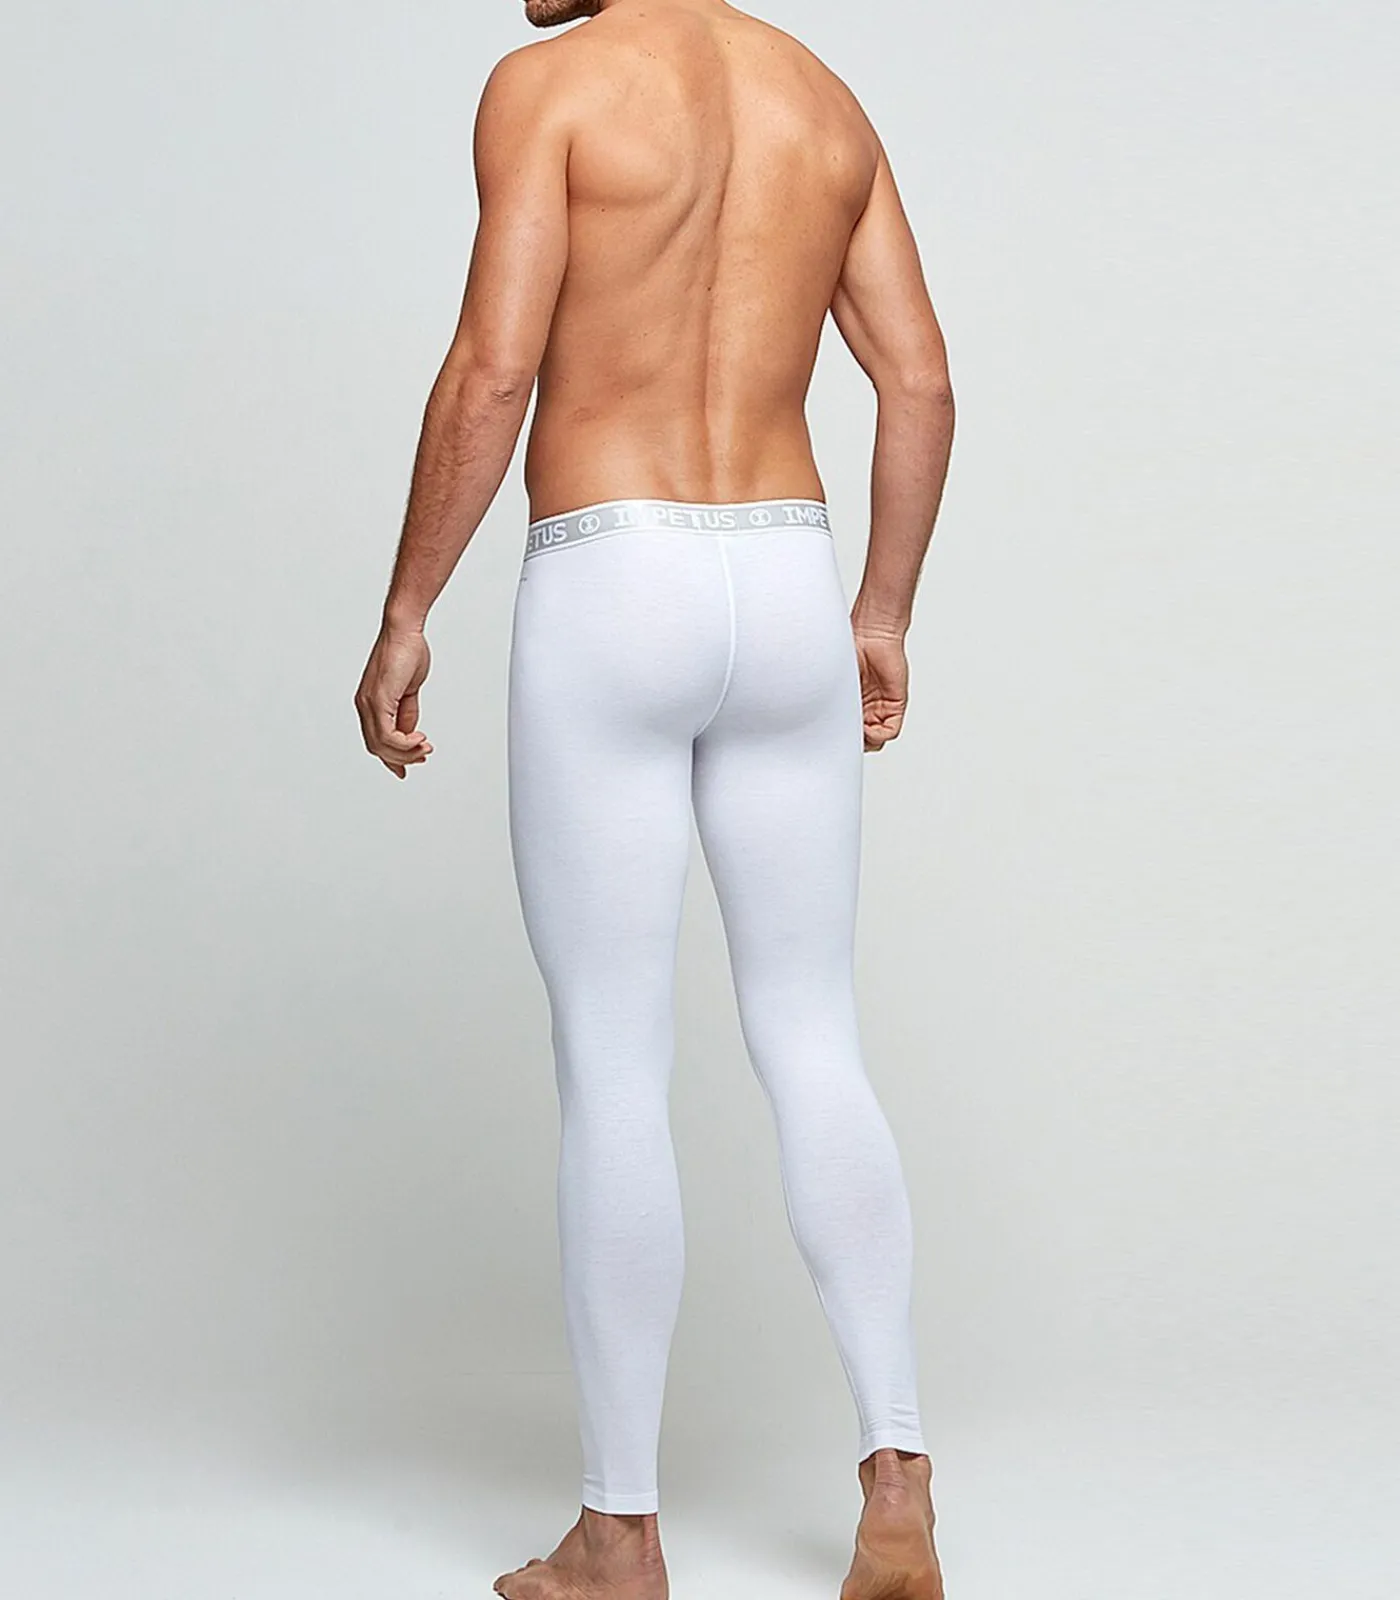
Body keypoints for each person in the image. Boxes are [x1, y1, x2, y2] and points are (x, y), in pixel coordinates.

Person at [354, 0, 955, 1594]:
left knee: (615, 1063)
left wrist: (408, 609)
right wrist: (883, 612)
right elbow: (920, 383)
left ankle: (619, 1533)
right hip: (788, 570)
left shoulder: (546, 88)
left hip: (611, 570)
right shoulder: (821, 98)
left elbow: (495, 369)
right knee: (813, 1029)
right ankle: (898, 1486)